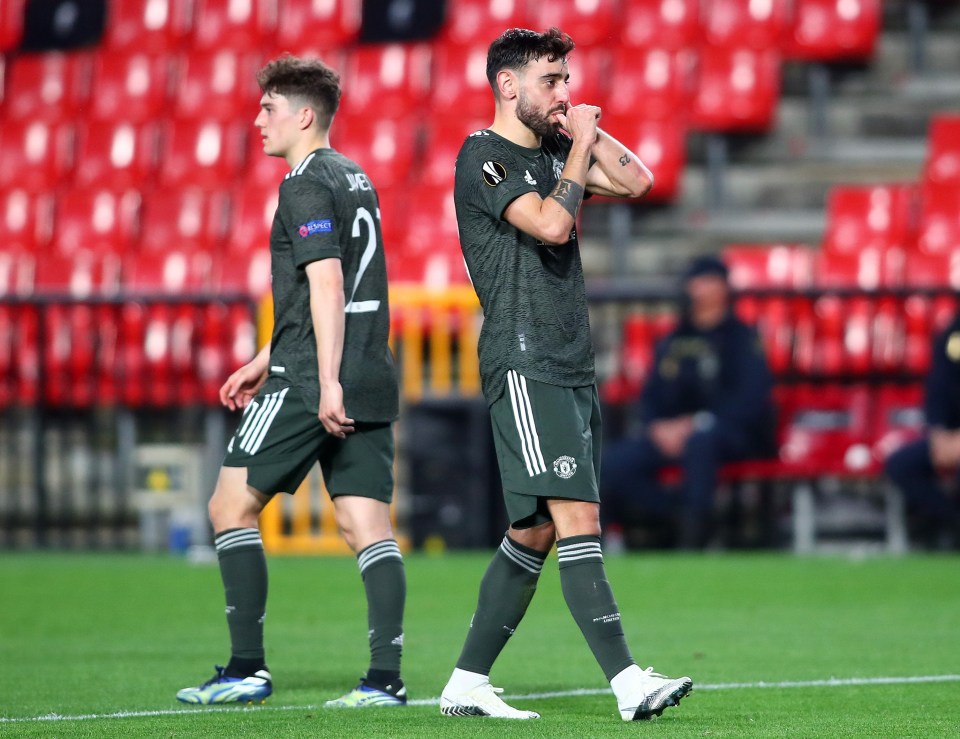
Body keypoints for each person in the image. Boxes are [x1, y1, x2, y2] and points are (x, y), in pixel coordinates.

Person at [439, 28, 693, 722]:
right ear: (507, 85)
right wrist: (578, 142)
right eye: (551, 80)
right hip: (524, 362)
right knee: (578, 516)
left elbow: (638, 179)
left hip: (569, 360)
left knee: (535, 531)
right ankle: (627, 682)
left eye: (566, 80)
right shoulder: (482, 159)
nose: (566, 92)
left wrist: (577, 133)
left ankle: (465, 681)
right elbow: (551, 225)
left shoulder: (554, 147)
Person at [176, 55, 407, 708]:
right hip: (367, 367)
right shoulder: (356, 176)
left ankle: (246, 667)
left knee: (228, 507)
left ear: (304, 116)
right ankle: (385, 680)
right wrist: (263, 352)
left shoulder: (303, 182)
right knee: (366, 525)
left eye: (269, 108)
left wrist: (320, 379)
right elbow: (332, 291)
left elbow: (327, 280)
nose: (258, 121)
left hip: (312, 377)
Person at [601, 256, 776, 549]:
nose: (699, 289)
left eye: (708, 281)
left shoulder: (742, 339)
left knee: (701, 443)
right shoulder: (673, 340)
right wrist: (657, 427)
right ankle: (672, 514)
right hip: (671, 434)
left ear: (724, 288)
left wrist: (696, 424)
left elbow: (751, 399)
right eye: (696, 281)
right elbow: (651, 395)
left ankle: (694, 540)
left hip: (728, 434)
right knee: (611, 462)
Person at [885, 312, 960, 549]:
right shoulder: (954, 331)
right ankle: (952, 522)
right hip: (949, 436)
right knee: (900, 465)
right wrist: (937, 433)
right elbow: (939, 383)